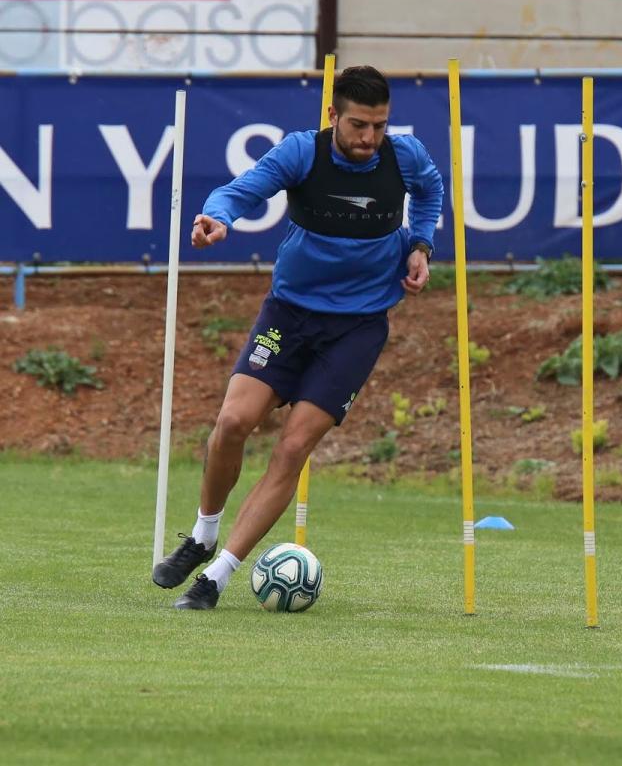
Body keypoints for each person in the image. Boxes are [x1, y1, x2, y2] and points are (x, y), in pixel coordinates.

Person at [152, 65, 443, 609]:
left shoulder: (405, 156)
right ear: (333, 115)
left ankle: (215, 577)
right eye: (359, 125)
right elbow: (241, 191)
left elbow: (430, 192)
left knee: (292, 447)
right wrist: (217, 218)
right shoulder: (300, 153)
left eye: (379, 126)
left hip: (358, 327)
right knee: (234, 421)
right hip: (289, 315)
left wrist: (421, 245)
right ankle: (203, 533)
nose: (369, 139)